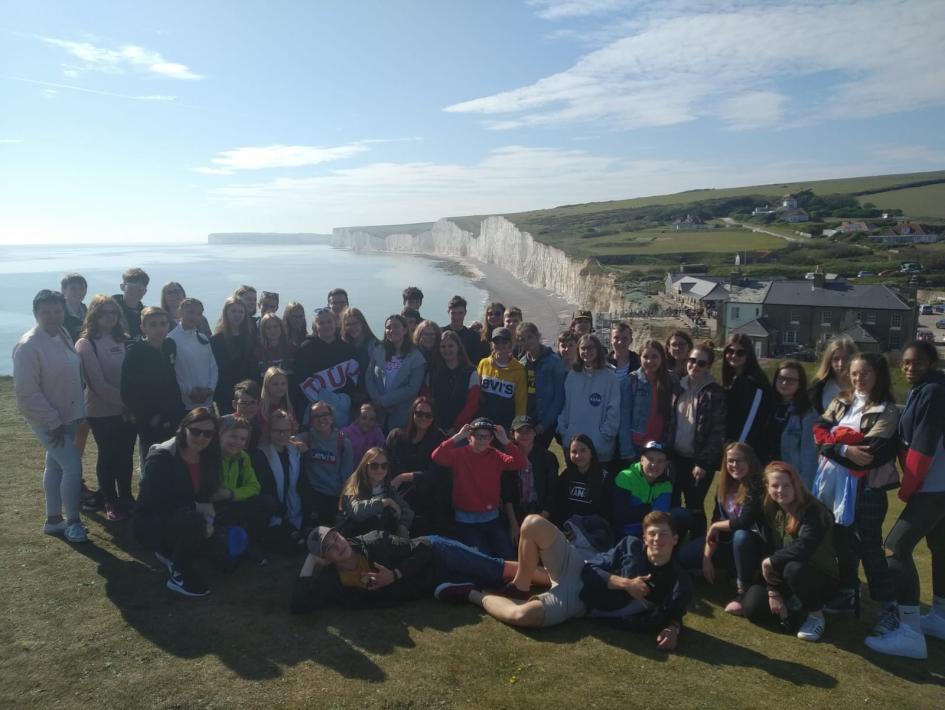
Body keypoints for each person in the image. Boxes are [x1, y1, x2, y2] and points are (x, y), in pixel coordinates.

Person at [441, 511, 689, 651]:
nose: (657, 539)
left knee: (521, 616)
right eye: (652, 534)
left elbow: (676, 614)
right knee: (532, 523)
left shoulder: (678, 580)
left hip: (581, 602)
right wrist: (626, 584)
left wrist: (673, 629)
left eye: (663, 534)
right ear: (644, 538)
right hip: (578, 569)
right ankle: (520, 586)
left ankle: (471, 593)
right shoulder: (630, 546)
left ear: (675, 539)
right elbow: (590, 571)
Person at [866, 339, 945, 659]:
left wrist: (908, 488)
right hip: (937, 486)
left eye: (918, 363)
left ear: (932, 363)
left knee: (894, 548)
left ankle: (910, 632)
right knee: (939, 547)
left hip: (934, 486)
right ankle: (940, 615)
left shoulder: (932, 392)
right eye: (907, 363)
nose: (911, 368)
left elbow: (924, 446)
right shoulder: (927, 388)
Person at [812, 352, 899, 634]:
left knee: (869, 546)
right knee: (842, 543)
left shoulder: (887, 410)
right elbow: (819, 431)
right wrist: (843, 447)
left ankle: (889, 607)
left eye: (865, 373)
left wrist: (834, 444)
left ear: (878, 375)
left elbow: (870, 455)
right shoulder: (842, 401)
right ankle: (848, 592)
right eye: (854, 373)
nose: (858, 379)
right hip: (834, 486)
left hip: (868, 491)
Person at [291, 526, 549, 613]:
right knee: (495, 585)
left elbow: (423, 547)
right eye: (329, 548)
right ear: (326, 559)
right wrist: (309, 562)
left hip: (438, 554)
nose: (338, 545)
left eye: (335, 537)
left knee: (495, 569)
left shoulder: (374, 541)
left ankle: (555, 577)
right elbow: (299, 607)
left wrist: (395, 575)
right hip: (430, 584)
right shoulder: (335, 582)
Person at [13, 290, 88, 542]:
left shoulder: (62, 334)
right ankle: (74, 522)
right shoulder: (28, 346)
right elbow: (27, 393)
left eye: (57, 311)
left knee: (55, 465)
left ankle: (54, 520)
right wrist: (53, 422)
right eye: (46, 312)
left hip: (67, 414)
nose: (53, 316)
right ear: (36, 314)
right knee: (72, 465)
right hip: (49, 419)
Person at [741, 462, 838, 643]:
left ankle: (816, 615)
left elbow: (804, 547)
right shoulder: (774, 509)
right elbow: (772, 549)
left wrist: (770, 561)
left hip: (820, 576)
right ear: (767, 488)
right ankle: (791, 605)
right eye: (775, 486)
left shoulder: (814, 511)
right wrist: (773, 591)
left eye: (786, 485)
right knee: (752, 608)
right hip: (785, 572)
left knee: (794, 569)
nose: (780, 490)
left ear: (796, 484)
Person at [133, 408, 222, 597]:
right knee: (193, 522)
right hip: (154, 520)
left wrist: (209, 519)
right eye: (196, 431)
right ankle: (179, 572)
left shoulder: (209, 456)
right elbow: (158, 502)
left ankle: (169, 551)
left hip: (189, 514)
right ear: (183, 429)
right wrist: (202, 520)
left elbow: (205, 493)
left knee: (224, 561)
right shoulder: (162, 457)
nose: (201, 438)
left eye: (208, 434)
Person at [678, 442, 766, 616]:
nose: (734, 465)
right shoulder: (725, 485)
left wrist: (716, 526)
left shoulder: (758, 485)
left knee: (741, 536)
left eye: (740, 461)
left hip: (751, 546)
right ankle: (718, 570)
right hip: (726, 543)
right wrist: (706, 558)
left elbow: (744, 522)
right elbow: (716, 521)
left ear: (750, 461)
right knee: (683, 557)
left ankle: (743, 588)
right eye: (730, 461)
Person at [76, 294, 137, 521]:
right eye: (105, 313)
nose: (110, 317)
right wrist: (130, 402)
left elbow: (133, 376)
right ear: (94, 315)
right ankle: (110, 500)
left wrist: (131, 403)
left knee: (126, 455)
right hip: (101, 412)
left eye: (114, 312)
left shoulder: (125, 339)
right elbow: (98, 384)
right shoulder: (86, 343)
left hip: (127, 411)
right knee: (109, 455)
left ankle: (127, 497)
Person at [431, 418, 527, 558]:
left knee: (508, 554)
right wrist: (457, 437)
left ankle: (512, 580)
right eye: (478, 436)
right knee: (483, 558)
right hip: (465, 519)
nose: (482, 440)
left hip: (491, 517)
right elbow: (437, 456)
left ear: (491, 438)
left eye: (486, 436)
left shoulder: (496, 455)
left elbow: (521, 463)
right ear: (470, 437)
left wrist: (506, 441)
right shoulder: (459, 454)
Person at [671, 341, 726, 538]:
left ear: (708, 366)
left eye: (701, 363)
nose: (695, 366)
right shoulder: (679, 386)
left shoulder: (714, 392)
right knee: (673, 502)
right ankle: (675, 544)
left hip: (698, 462)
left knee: (695, 505)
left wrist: (703, 462)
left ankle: (698, 546)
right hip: (676, 456)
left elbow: (717, 433)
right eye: (692, 361)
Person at [120, 306, 185, 461]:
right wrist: (149, 416)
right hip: (149, 418)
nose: (159, 329)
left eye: (163, 324)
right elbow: (128, 391)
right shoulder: (135, 353)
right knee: (151, 458)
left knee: (174, 456)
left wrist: (175, 409)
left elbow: (171, 380)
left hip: (172, 412)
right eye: (153, 325)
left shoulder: (170, 346)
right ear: (143, 328)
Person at [213, 414, 278, 563]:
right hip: (211, 510)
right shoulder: (210, 457)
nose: (237, 442)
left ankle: (251, 543)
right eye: (233, 436)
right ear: (220, 434)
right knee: (227, 565)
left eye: (242, 439)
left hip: (231, 502)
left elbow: (254, 486)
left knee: (266, 503)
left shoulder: (243, 457)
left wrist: (230, 494)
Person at [558, 334, 620, 465]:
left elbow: (613, 411)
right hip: (574, 447)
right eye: (583, 348)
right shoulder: (573, 375)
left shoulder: (610, 377)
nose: (587, 352)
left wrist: (603, 437)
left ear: (598, 349)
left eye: (591, 348)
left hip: (599, 449)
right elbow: (566, 407)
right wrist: (565, 432)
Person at [608, 441, 690, 539]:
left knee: (682, 515)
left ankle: (674, 552)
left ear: (666, 464)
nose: (654, 465)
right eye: (650, 459)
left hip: (651, 532)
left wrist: (641, 511)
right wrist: (647, 508)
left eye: (660, 461)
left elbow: (659, 516)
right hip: (625, 532)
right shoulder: (625, 477)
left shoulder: (666, 484)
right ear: (642, 460)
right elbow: (621, 516)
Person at [294, 308, 360, 427]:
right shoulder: (305, 349)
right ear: (315, 326)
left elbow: (353, 380)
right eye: (321, 323)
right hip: (316, 410)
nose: (326, 326)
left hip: (343, 410)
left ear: (336, 322)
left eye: (329, 322)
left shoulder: (348, 349)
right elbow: (302, 379)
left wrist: (343, 401)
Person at [251, 409, 306, 552]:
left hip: (293, 508)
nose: (282, 435)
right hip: (273, 511)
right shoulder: (260, 455)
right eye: (276, 431)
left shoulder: (295, 452)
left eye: (286, 430)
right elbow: (263, 489)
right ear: (269, 431)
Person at [365, 314, 427, 432]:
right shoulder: (378, 351)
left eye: (396, 327)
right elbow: (369, 378)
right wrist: (378, 401)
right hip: (378, 413)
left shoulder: (416, 356)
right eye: (388, 327)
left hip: (402, 414)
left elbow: (413, 388)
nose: (392, 330)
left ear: (404, 330)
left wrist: (385, 401)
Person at [617, 340, 676, 464]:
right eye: (646, 357)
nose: (650, 361)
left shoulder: (671, 380)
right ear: (640, 358)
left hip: (661, 444)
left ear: (662, 358)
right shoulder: (631, 381)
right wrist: (627, 451)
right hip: (636, 445)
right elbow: (624, 418)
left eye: (654, 356)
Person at [501, 416, 559, 542]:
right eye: (520, 431)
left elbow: (552, 493)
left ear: (534, 433)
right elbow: (507, 494)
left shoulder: (548, 458)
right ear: (512, 434)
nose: (524, 435)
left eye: (528, 431)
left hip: (541, 513)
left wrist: (539, 521)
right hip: (516, 514)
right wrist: (514, 525)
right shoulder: (507, 458)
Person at [298, 401, 355, 527]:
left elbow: (347, 476)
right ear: (311, 421)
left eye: (324, 414)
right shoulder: (306, 437)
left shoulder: (343, 442)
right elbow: (285, 439)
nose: (321, 419)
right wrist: (299, 445)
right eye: (315, 416)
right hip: (313, 495)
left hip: (335, 496)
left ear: (332, 417)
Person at [339, 447, 414, 537]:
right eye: (374, 466)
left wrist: (403, 525)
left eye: (384, 466)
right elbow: (357, 511)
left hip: (384, 538)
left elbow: (406, 509)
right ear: (365, 467)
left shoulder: (388, 488)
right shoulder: (354, 487)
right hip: (358, 538)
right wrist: (385, 502)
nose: (380, 470)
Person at [722, 334, 774, 461]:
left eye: (740, 353)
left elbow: (751, 420)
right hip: (732, 447)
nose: (734, 356)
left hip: (746, 452)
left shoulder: (754, 382)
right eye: (730, 351)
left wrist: (738, 450)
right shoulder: (734, 378)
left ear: (749, 354)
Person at [518, 322, 566, 450]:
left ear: (537, 336)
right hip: (528, 419)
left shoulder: (554, 362)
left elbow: (559, 398)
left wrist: (544, 424)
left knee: (540, 453)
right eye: (522, 339)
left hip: (547, 420)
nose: (527, 342)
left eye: (530, 337)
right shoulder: (522, 363)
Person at [771, 360, 818, 488]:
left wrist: (803, 487)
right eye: (781, 378)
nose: (785, 383)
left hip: (790, 481)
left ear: (800, 384)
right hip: (767, 475)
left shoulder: (807, 414)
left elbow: (809, 455)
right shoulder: (768, 406)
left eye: (791, 380)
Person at [168, 298, 217, 411]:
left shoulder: (203, 338)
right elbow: (172, 372)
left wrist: (210, 388)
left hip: (207, 401)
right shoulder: (170, 340)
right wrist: (189, 391)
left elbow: (213, 367)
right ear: (180, 312)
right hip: (184, 403)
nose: (194, 317)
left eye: (198, 314)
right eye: (190, 312)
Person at [210, 297, 257, 415]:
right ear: (226, 313)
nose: (237, 315)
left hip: (247, 394)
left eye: (241, 312)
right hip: (225, 394)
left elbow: (252, 366)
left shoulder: (250, 338)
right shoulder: (216, 340)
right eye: (233, 311)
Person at [552, 434, 610, 527]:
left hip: (592, 531)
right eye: (574, 452)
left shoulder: (604, 478)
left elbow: (606, 514)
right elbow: (558, 508)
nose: (578, 455)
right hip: (566, 529)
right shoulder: (565, 476)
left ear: (591, 452)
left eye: (583, 450)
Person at [477, 326, 528, 431]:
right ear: (492, 344)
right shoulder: (484, 363)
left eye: (504, 341)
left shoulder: (519, 370)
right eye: (496, 341)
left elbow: (520, 402)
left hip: (506, 423)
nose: (500, 344)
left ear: (510, 344)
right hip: (483, 422)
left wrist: (517, 426)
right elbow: (476, 392)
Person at [430, 330, 479, 435]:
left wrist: (457, 427)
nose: (447, 350)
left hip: (461, 432)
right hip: (435, 429)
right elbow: (426, 398)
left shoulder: (471, 372)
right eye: (443, 346)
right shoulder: (433, 372)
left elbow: (473, 404)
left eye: (451, 346)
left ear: (458, 347)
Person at [809, 335, 857, 414]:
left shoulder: (861, 385)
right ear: (829, 361)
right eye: (836, 359)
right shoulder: (818, 386)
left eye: (845, 358)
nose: (841, 364)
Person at [340, 306, 379, 386]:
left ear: (362, 323)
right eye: (348, 324)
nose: (352, 328)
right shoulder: (343, 347)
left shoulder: (375, 345)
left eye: (355, 323)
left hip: (372, 392)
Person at [255, 313, 295, 379]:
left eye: (275, 326)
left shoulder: (292, 349)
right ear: (263, 331)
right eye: (268, 328)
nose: (272, 330)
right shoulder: (258, 352)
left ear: (281, 328)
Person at [443, 295, 482, 363]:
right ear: (448, 312)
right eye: (453, 313)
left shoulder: (473, 336)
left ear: (465, 313)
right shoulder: (441, 333)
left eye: (460, 313)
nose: (457, 317)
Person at [112, 267, 149, 338]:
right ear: (122, 287)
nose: (136, 291)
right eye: (133, 286)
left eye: (140, 289)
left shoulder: (146, 314)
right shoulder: (109, 311)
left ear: (145, 292)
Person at [232, 380, 263, 452]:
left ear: (258, 405)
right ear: (234, 404)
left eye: (252, 403)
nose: (248, 407)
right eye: (243, 403)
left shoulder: (257, 428)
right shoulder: (225, 425)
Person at [60, 273, 88, 343]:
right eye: (73, 289)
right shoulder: (59, 313)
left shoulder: (87, 312)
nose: (78, 292)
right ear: (63, 290)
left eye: (82, 288)